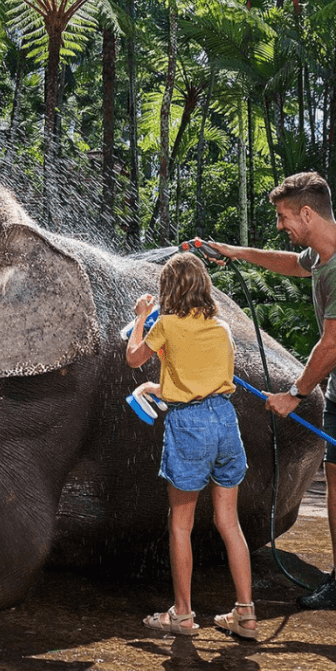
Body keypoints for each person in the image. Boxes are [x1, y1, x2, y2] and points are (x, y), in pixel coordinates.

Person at [206, 171, 336, 611]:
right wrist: (235, 252)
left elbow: (332, 343)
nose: (281, 226)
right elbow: (292, 264)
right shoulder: (323, 250)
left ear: (308, 213)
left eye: (284, 217)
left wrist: (295, 393)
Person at [125, 251, 257, 640]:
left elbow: (134, 358)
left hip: (189, 427)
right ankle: (246, 615)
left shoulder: (164, 324)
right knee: (227, 522)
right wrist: (159, 386)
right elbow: (202, 381)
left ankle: (182, 615)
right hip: (225, 421)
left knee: (181, 525)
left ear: (168, 290)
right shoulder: (221, 327)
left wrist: (138, 319)